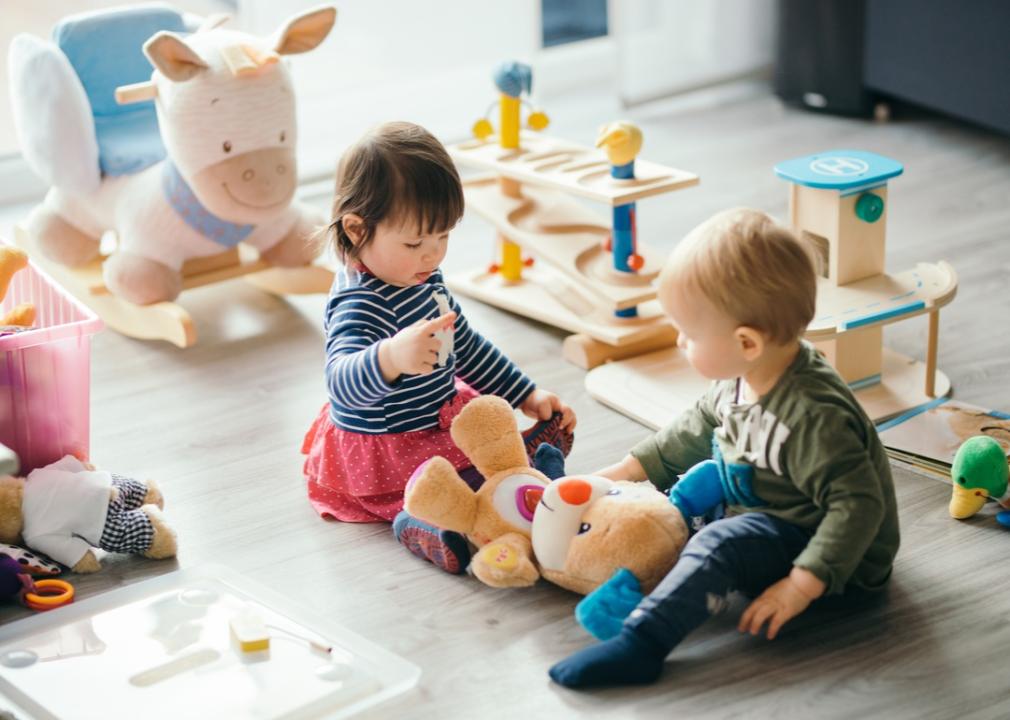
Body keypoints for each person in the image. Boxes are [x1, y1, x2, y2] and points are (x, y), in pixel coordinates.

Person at [549, 207, 899, 688]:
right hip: (768, 506)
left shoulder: (814, 417)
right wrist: (620, 474)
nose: (678, 340)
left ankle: (643, 643)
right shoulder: (744, 376)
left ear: (746, 342)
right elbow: (696, 425)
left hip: (838, 557)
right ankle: (637, 581)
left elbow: (858, 506)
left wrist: (801, 585)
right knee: (673, 514)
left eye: (690, 334)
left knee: (717, 542)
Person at [302, 122, 576, 573]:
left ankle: (525, 468)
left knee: (484, 439)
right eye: (414, 242)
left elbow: (464, 346)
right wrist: (390, 357)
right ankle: (424, 526)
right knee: (440, 488)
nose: (432, 256)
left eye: (443, 237)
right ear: (356, 230)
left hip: (436, 417)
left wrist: (526, 394)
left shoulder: (422, 277)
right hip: (388, 445)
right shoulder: (360, 302)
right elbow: (340, 385)